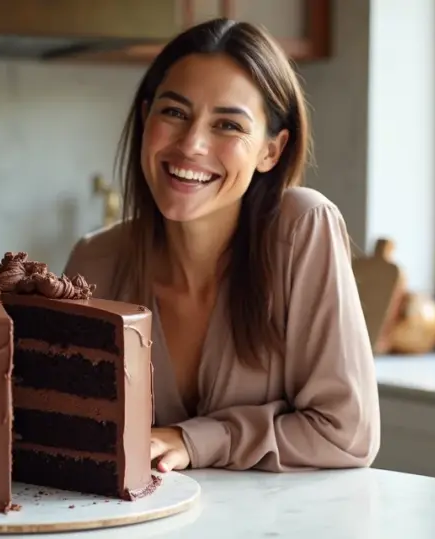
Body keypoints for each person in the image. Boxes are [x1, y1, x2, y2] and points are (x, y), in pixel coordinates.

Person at [63, 18, 380, 473]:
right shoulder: (95, 261)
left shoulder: (302, 229)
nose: (191, 144)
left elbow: (347, 433)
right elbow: (67, 433)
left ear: (271, 151)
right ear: (146, 117)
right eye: (173, 112)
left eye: (228, 125)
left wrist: (197, 441)